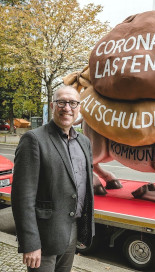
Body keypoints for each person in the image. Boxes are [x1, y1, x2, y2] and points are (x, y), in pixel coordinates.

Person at [11, 85, 94, 272]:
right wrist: (30, 243)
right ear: (52, 105)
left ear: (79, 108)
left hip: (72, 230)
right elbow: (22, 197)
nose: (67, 108)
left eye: (73, 103)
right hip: (44, 236)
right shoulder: (34, 139)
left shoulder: (84, 142)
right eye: (61, 102)